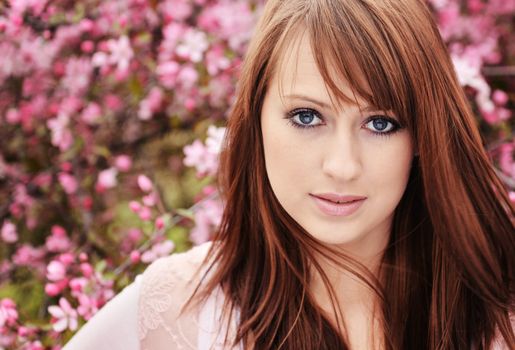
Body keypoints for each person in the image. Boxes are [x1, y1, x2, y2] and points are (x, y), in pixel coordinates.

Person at [64, 0, 515, 349]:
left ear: (422, 137)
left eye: (380, 123)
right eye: (306, 117)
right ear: (256, 118)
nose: (342, 165)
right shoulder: (179, 312)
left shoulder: (497, 314)